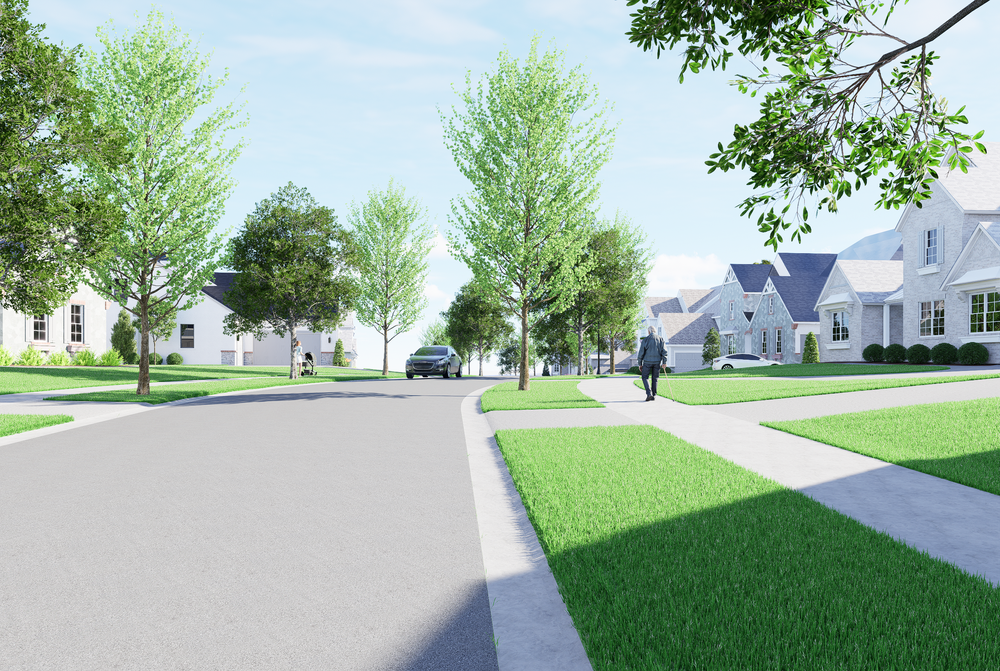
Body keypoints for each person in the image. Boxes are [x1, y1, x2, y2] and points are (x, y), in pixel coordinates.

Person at [636, 325, 667, 401]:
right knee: (655, 378)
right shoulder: (661, 339)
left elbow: (641, 353)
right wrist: (664, 362)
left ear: (649, 331)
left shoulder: (645, 340)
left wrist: (640, 364)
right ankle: (653, 395)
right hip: (657, 362)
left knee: (645, 377)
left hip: (647, 362)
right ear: (655, 331)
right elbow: (664, 352)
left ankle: (649, 394)